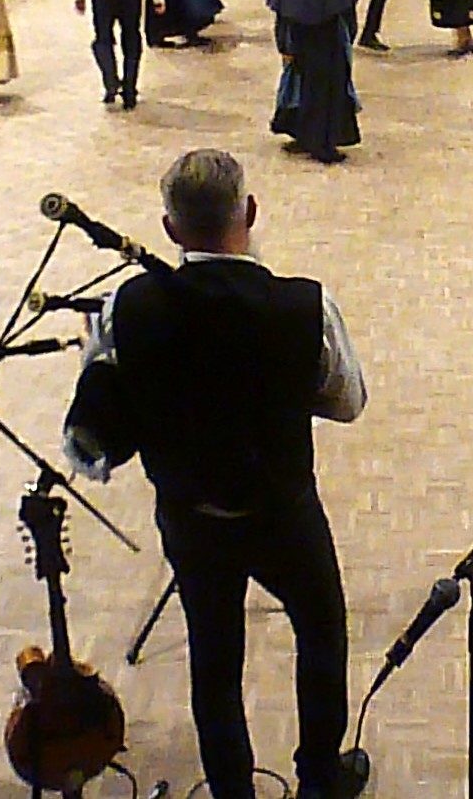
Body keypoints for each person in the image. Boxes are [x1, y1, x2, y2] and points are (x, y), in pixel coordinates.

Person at [64, 149, 372, 799]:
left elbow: (97, 427)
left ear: (170, 228)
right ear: (250, 211)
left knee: (214, 659)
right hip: (283, 512)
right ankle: (320, 776)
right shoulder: (304, 305)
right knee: (321, 631)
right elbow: (347, 401)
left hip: (190, 517)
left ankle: (233, 790)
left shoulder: (127, 305)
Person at [268, 0, 362, 163]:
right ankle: (326, 142)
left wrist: (284, 47)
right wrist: (349, 40)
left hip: (300, 41)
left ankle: (303, 135)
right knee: (331, 91)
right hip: (332, 41)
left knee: (301, 89)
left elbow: (282, 19)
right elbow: (349, 16)